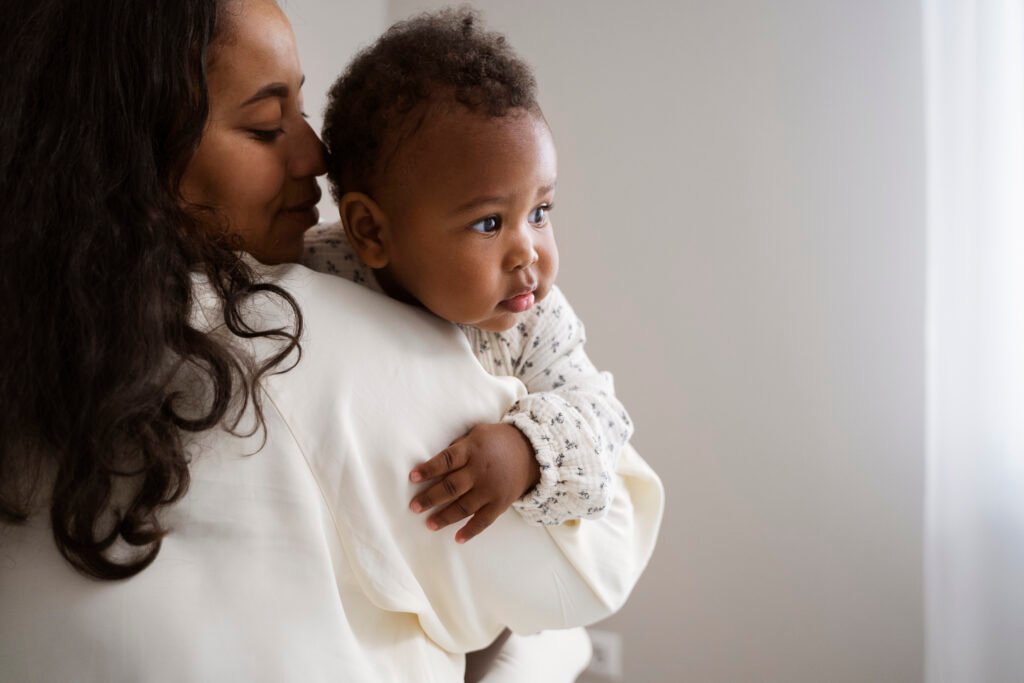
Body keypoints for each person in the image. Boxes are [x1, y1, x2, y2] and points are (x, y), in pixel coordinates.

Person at [0, 1, 663, 681]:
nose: (316, 153)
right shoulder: (290, 330)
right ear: (133, 159)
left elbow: (595, 412)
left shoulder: (46, 333)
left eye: (542, 210)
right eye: (266, 126)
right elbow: (597, 557)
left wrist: (535, 445)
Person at [305, 9, 633, 543]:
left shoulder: (537, 322)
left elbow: (602, 419)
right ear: (372, 231)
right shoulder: (321, 271)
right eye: (489, 223)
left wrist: (525, 452)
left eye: (540, 212)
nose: (527, 253)